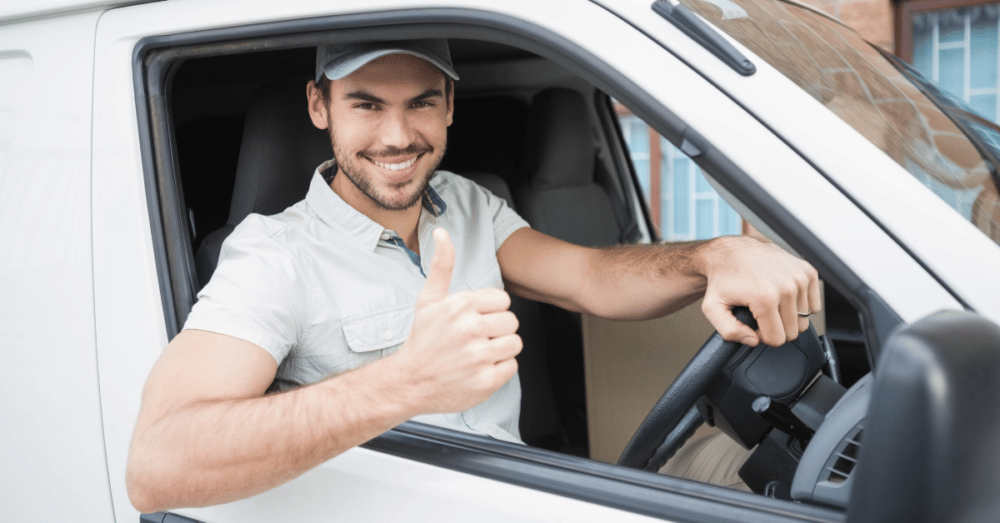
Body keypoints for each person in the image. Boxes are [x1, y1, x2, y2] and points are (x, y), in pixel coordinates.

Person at [126, 38, 821, 513]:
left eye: (421, 102)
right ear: (319, 106)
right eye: (366, 104)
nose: (398, 135)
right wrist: (403, 383)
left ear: (451, 105)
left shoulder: (464, 201)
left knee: (799, 483)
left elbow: (589, 277)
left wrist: (711, 258)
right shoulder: (272, 255)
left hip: (527, 491)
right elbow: (157, 464)